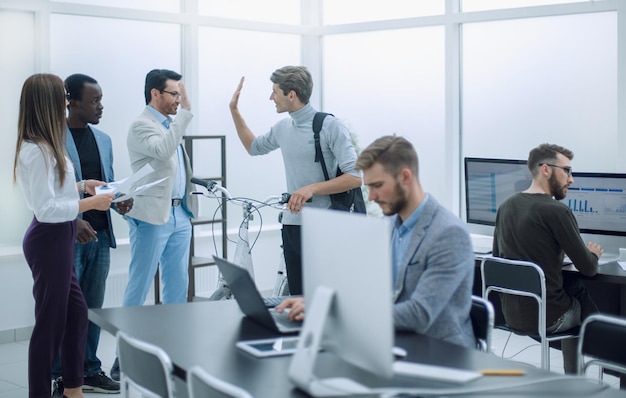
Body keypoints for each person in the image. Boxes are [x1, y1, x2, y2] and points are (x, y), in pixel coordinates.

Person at [277, 135, 476, 348]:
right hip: (393, 341)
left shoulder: (448, 234)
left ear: (405, 177)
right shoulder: (389, 223)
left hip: (439, 352)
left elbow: (419, 314)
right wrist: (321, 303)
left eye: (378, 185)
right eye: (369, 187)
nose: (371, 197)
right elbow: (360, 283)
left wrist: (335, 311)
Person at [13, 73, 114, 398]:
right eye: (61, 98)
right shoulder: (36, 150)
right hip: (49, 239)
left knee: (77, 313)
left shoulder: (46, 145)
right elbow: (46, 210)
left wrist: (82, 186)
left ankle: (73, 388)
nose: (66, 103)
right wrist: (88, 202)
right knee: (49, 326)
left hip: (59, 238)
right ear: (48, 104)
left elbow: (54, 192)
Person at [229, 66, 362, 295]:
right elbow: (253, 147)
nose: (271, 97)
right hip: (293, 224)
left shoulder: (329, 126)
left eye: (275, 92)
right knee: (299, 298)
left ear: (291, 94)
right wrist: (234, 111)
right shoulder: (283, 128)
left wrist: (311, 188)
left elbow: (355, 177)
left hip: (325, 226)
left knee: (326, 298)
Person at [110, 69, 198, 380]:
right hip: (150, 218)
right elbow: (162, 151)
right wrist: (186, 114)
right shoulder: (141, 126)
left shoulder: (169, 125)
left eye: (179, 94)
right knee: (139, 286)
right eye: (173, 94)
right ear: (155, 94)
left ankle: (172, 355)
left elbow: (173, 165)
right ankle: (123, 359)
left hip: (180, 215)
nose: (178, 99)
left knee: (177, 288)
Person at [50, 74, 133, 396]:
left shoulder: (104, 140)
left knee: (90, 309)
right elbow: (51, 194)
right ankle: (60, 375)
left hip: (99, 237)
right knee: (64, 309)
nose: (100, 106)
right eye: (94, 100)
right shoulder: (52, 140)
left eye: (100, 99)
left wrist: (120, 200)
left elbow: (105, 185)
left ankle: (89, 370)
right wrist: (77, 216)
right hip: (67, 237)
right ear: (72, 102)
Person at [492, 143, 602, 374]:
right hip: (549, 319)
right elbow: (589, 268)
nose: (571, 179)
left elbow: (497, 259)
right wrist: (593, 253)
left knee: (569, 286)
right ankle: (589, 367)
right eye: (567, 171)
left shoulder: (506, 206)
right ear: (546, 169)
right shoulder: (557, 211)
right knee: (578, 290)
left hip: (511, 315)